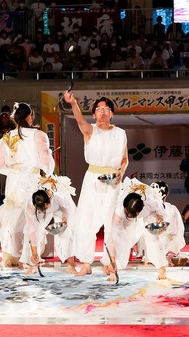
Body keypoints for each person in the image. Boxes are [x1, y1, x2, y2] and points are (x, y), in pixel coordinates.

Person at [63, 92, 128, 276]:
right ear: (94, 114)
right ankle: (86, 263)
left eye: (106, 109)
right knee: (86, 220)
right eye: (99, 109)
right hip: (92, 178)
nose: (102, 112)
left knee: (112, 222)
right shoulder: (90, 130)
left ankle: (109, 262)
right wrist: (74, 103)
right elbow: (79, 121)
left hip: (113, 182)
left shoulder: (120, 134)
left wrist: (120, 173)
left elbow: (124, 159)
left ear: (112, 113)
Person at [0, 102, 54, 267]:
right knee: (32, 217)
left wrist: (14, 172)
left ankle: (12, 255)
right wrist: (48, 172)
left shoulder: (6, 138)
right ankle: (29, 256)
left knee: (13, 217)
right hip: (31, 179)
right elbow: (46, 160)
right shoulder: (38, 135)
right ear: (30, 116)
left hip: (13, 181)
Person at [107, 178, 167, 281]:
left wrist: (158, 215)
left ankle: (162, 268)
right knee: (120, 239)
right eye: (127, 212)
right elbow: (114, 237)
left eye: (132, 214)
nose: (129, 215)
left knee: (152, 238)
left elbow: (159, 211)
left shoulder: (151, 200)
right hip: (125, 213)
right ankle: (113, 268)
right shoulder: (119, 211)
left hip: (150, 213)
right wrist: (112, 260)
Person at [20, 175, 78, 275]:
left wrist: (64, 219)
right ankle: (33, 265)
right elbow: (31, 228)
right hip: (41, 210)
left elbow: (68, 210)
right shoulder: (31, 205)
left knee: (69, 230)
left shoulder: (60, 195)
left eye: (45, 207)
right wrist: (34, 251)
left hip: (61, 209)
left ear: (49, 200)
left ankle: (71, 265)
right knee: (30, 234)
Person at [150, 181, 185, 259]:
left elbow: (179, 230)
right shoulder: (148, 210)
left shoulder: (172, 209)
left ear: (164, 195)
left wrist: (174, 247)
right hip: (152, 246)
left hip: (169, 247)